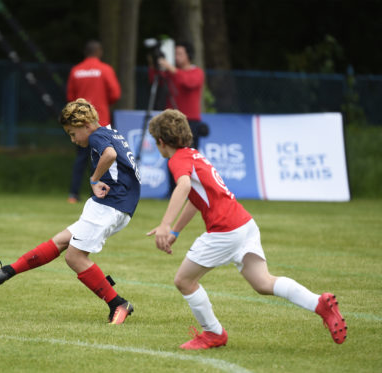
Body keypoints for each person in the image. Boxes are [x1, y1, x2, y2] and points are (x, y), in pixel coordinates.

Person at [146, 109, 347, 350]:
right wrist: (176, 231)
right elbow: (194, 197)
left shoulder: (177, 159)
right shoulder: (194, 155)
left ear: (160, 141)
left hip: (225, 230)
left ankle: (213, 334)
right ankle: (319, 303)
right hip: (244, 224)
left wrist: (165, 224)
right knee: (263, 283)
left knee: (184, 281)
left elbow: (184, 185)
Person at [0, 99, 140, 325]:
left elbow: (110, 156)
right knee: (61, 241)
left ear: (85, 124)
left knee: (75, 257)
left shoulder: (97, 136)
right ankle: (8, 271)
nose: (73, 140)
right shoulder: (110, 132)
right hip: (121, 207)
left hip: (109, 205)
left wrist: (94, 179)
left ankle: (117, 303)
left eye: (72, 133)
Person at [66, 40, 121, 204]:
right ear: (99, 53)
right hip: (100, 121)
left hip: (80, 124)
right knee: (101, 158)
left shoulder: (76, 71)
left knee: (81, 159)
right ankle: (99, 193)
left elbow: (70, 97)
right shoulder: (105, 70)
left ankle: (73, 194)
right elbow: (115, 94)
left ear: (85, 53)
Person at [148, 41, 206, 149]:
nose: (176, 57)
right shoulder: (171, 72)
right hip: (171, 119)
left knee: (189, 151)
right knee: (171, 151)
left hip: (190, 120)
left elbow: (189, 82)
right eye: (175, 54)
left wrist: (171, 68)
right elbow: (154, 79)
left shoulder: (197, 72)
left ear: (189, 55)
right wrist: (154, 64)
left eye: (180, 54)